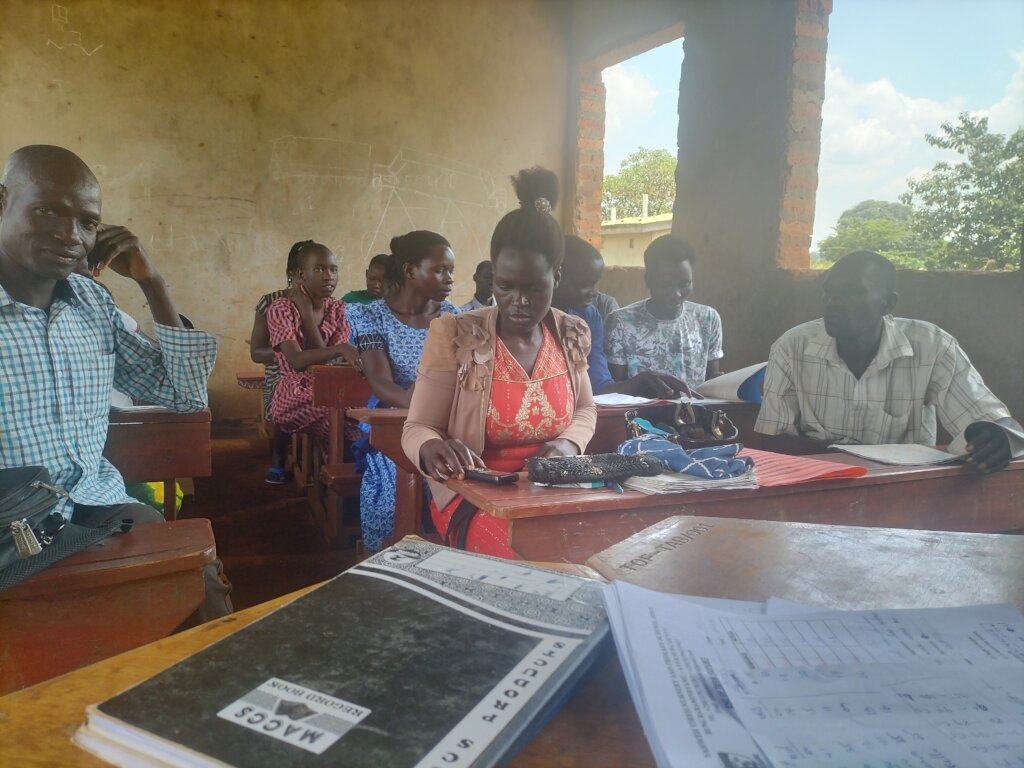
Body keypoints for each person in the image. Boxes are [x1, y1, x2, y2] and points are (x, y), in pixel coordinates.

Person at [0, 144, 230, 619]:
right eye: (46, 211)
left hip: (98, 506)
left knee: (197, 585)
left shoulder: (92, 304)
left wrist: (153, 283)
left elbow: (183, 397)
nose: (70, 235)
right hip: (10, 527)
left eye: (87, 222)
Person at [402, 167, 597, 559]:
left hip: (554, 492)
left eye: (534, 287)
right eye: (505, 286)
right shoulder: (456, 335)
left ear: (556, 277)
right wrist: (430, 448)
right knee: (534, 563)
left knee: (604, 554)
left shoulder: (569, 333)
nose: (518, 301)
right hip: (475, 497)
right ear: (493, 279)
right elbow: (417, 427)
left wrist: (569, 444)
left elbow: (586, 408)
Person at [755, 250, 1022, 472]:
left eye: (852, 292)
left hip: (903, 491)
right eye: (829, 292)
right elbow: (771, 439)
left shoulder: (932, 346)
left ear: (887, 304)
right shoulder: (792, 346)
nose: (833, 302)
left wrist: (1000, 438)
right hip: (818, 485)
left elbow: (997, 421)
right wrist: (855, 458)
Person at [348, 231, 461, 552]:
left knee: (457, 487)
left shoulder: (455, 318)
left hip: (446, 424)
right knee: (390, 495)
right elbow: (381, 381)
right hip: (395, 424)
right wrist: (420, 401)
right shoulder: (372, 316)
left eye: (451, 270)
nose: (449, 278)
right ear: (411, 271)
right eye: (440, 270)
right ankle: (388, 565)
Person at [553, 235, 693, 398]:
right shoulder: (527, 320)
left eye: (595, 283)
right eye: (584, 285)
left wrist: (643, 381)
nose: (593, 292)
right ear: (556, 277)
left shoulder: (588, 317)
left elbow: (599, 387)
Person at [266, 241, 357, 451]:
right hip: (294, 392)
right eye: (319, 269)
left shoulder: (340, 309)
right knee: (333, 416)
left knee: (364, 414)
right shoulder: (281, 308)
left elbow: (328, 364)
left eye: (333, 269)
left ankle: (346, 472)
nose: (329, 276)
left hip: (333, 389)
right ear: (301, 274)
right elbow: (296, 361)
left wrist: (307, 314)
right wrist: (307, 315)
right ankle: (334, 473)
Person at [606, 234, 723, 390]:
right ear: (648, 280)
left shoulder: (707, 318)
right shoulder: (621, 322)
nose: (677, 294)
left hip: (695, 412)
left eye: (684, 284)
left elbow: (711, 379)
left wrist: (722, 383)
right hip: (639, 413)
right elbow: (617, 391)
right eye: (665, 285)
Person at [249, 243, 305, 484]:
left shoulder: (331, 305)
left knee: (333, 396)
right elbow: (257, 353)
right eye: (307, 270)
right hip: (280, 371)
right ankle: (279, 456)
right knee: (285, 389)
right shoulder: (271, 301)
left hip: (316, 370)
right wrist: (288, 355)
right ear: (292, 272)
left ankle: (323, 459)